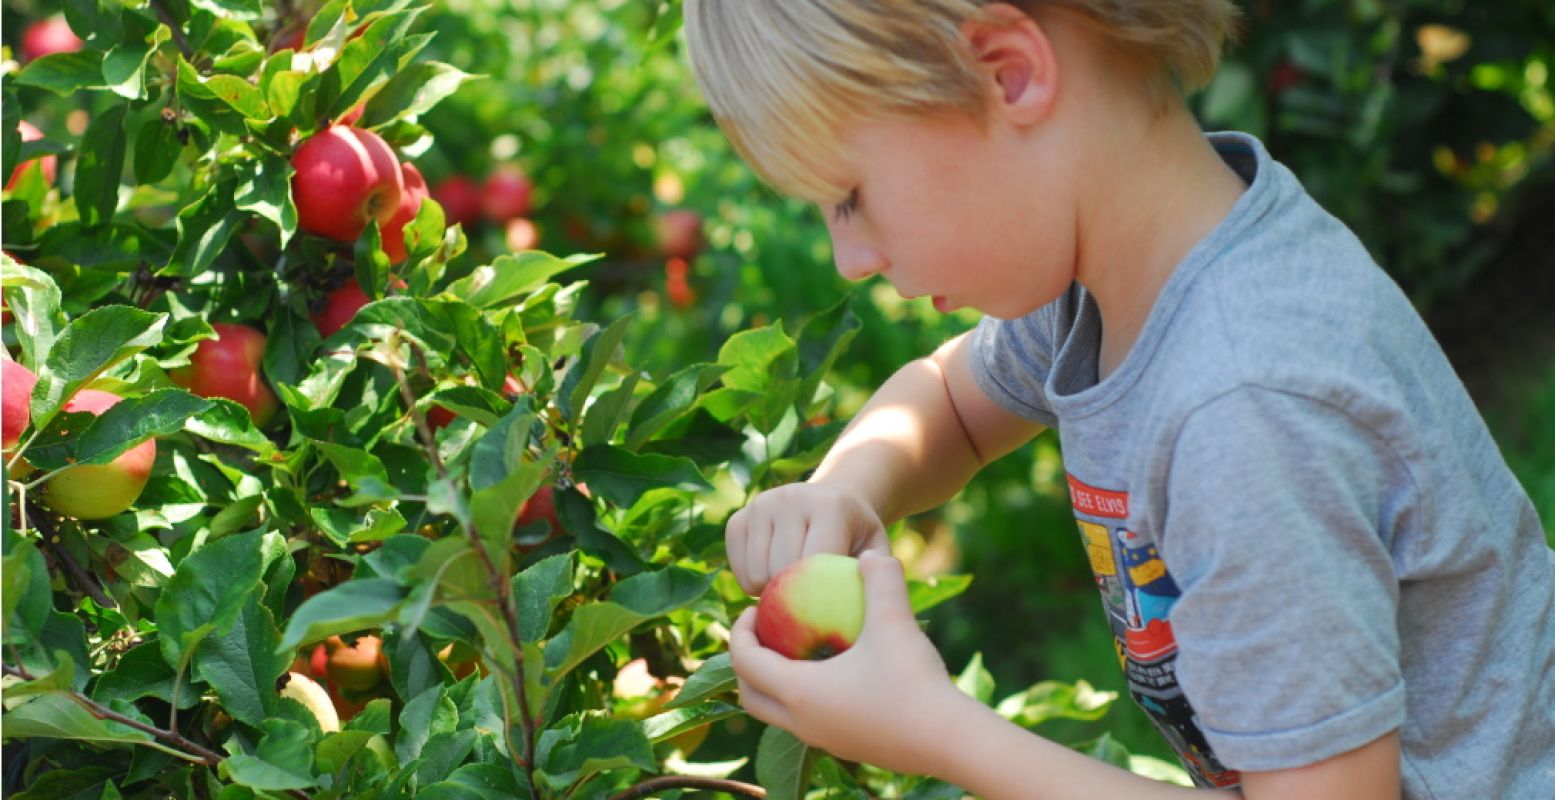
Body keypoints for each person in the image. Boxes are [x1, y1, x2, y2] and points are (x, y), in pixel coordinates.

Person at [681, 1, 1555, 798]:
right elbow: (946, 401)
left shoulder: (1242, 407)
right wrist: (844, 492)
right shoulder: (1119, 274)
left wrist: (940, 733)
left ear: (1007, 74)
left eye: (850, 197)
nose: (851, 260)